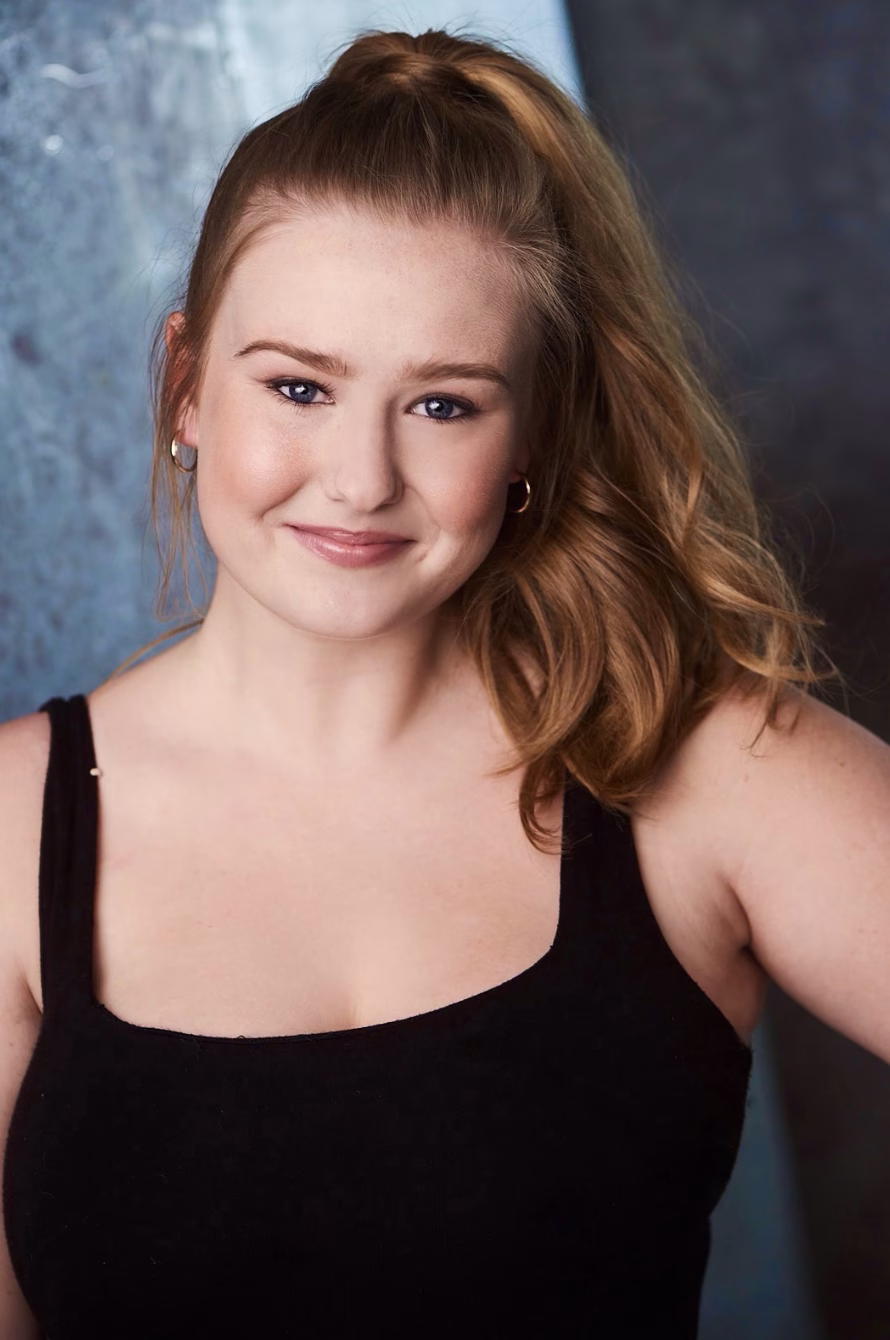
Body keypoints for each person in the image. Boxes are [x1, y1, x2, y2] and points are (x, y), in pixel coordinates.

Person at [1, 25, 888, 1340]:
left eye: (442, 405)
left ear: (534, 428)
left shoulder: (699, 767)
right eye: (298, 387)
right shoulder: (11, 829)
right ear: (187, 386)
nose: (360, 480)